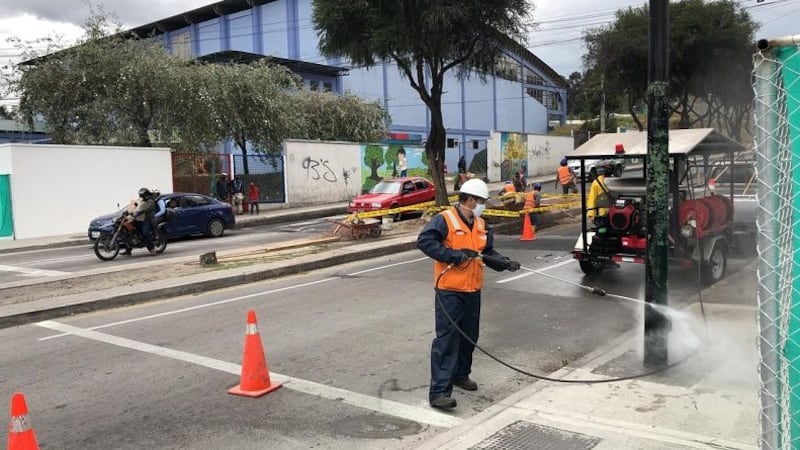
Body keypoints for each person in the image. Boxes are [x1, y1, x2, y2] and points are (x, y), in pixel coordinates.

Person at [416, 178, 521, 410]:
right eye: (482, 201)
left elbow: (487, 252)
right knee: (447, 341)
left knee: (469, 337)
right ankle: (439, 392)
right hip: (450, 291)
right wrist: (452, 255)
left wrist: (504, 262)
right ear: (470, 199)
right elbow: (424, 242)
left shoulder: (481, 223)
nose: (484, 205)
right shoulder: (445, 219)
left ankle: (460, 374)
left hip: (473, 290)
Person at [129, 187, 157, 255]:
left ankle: (152, 249)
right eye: (140, 195)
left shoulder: (150, 201)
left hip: (147, 219)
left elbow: (145, 209)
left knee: (145, 233)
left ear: (146, 195)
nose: (141, 197)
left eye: (142, 195)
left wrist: (138, 211)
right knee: (130, 230)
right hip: (140, 218)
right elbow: (136, 206)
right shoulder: (141, 201)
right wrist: (129, 210)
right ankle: (128, 250)